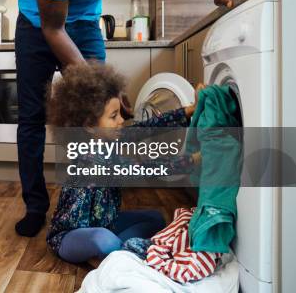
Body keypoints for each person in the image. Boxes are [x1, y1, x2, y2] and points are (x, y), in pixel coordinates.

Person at [14, 0, 245, 237]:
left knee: (109, 113)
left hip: (85, 22)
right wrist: (97, 85)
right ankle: (36, 207)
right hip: (40, 25)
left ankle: (95, 199)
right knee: (33, 116)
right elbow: (54, 28)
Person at [45, 62, 199, 263]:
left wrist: (189, 110)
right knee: (102, 239)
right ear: (90, 126)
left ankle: (113, 254)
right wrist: (193, 160)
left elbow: (147, 127)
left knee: (156, 218)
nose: (120, 121)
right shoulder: (89, 159)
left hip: (106, 222)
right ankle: (115, 252)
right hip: (70, 236)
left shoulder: (109, 136)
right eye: (113, 116)